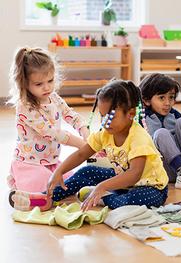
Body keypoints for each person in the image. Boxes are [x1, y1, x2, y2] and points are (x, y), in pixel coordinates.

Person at [9, 79, 169, 212]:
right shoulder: (106, 133)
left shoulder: (138, 137)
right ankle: (46, 198)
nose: (105, 121)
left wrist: (102, 186)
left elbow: (134, 174)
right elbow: (81, 154)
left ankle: (103, 197)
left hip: (151, 187)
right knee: (87, 171)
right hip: (121, 181)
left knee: (130, 201)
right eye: (102, 115)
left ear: (130, 114)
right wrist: (59, 171)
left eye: (111, 116)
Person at [7, 47, 89, 192]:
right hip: (29, 162)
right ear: (24, 83)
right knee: (45, 186)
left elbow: (70, 114)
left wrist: (83, 129)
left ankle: (34, 183)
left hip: (51, 161)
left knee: (72, 183)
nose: (47, 87)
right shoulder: (25, 106)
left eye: (50, 80)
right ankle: (19, 179)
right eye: (39, 84)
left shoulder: (53, 97)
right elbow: (52, 133)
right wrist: (81, 145)